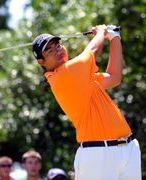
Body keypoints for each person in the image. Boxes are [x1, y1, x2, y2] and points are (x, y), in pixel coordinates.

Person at [32, 24, 141, 179]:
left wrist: (115, 38)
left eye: (58, 46)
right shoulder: (63, 76)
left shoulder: (80, 76)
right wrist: (101, 33)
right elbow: (94, 50)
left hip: (128, 148)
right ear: (41, 62)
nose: (58, 51)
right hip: (98, 153)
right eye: (50, 50)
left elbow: (114, 77)